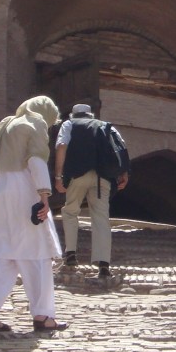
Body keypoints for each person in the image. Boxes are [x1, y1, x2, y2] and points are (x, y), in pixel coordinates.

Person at [0, 95, 66, 334]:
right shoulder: (35, 124)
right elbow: (35, 159)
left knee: (4, 255)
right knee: (39, 254)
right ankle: (43, 317)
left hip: (0, 192)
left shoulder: (8, 123)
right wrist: (44, 195)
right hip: (24, 189)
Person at [54, 103, 129, 279]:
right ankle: (104, 264)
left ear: (74, 114)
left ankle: (71, 254)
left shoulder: (69, 124)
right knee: (101, 218)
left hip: (77, 175)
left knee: (71, 211)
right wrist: (124, 173)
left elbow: (62, 145)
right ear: (91, 115)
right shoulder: (105, 125)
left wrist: (58, 176)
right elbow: (121, 147)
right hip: (102, 177)